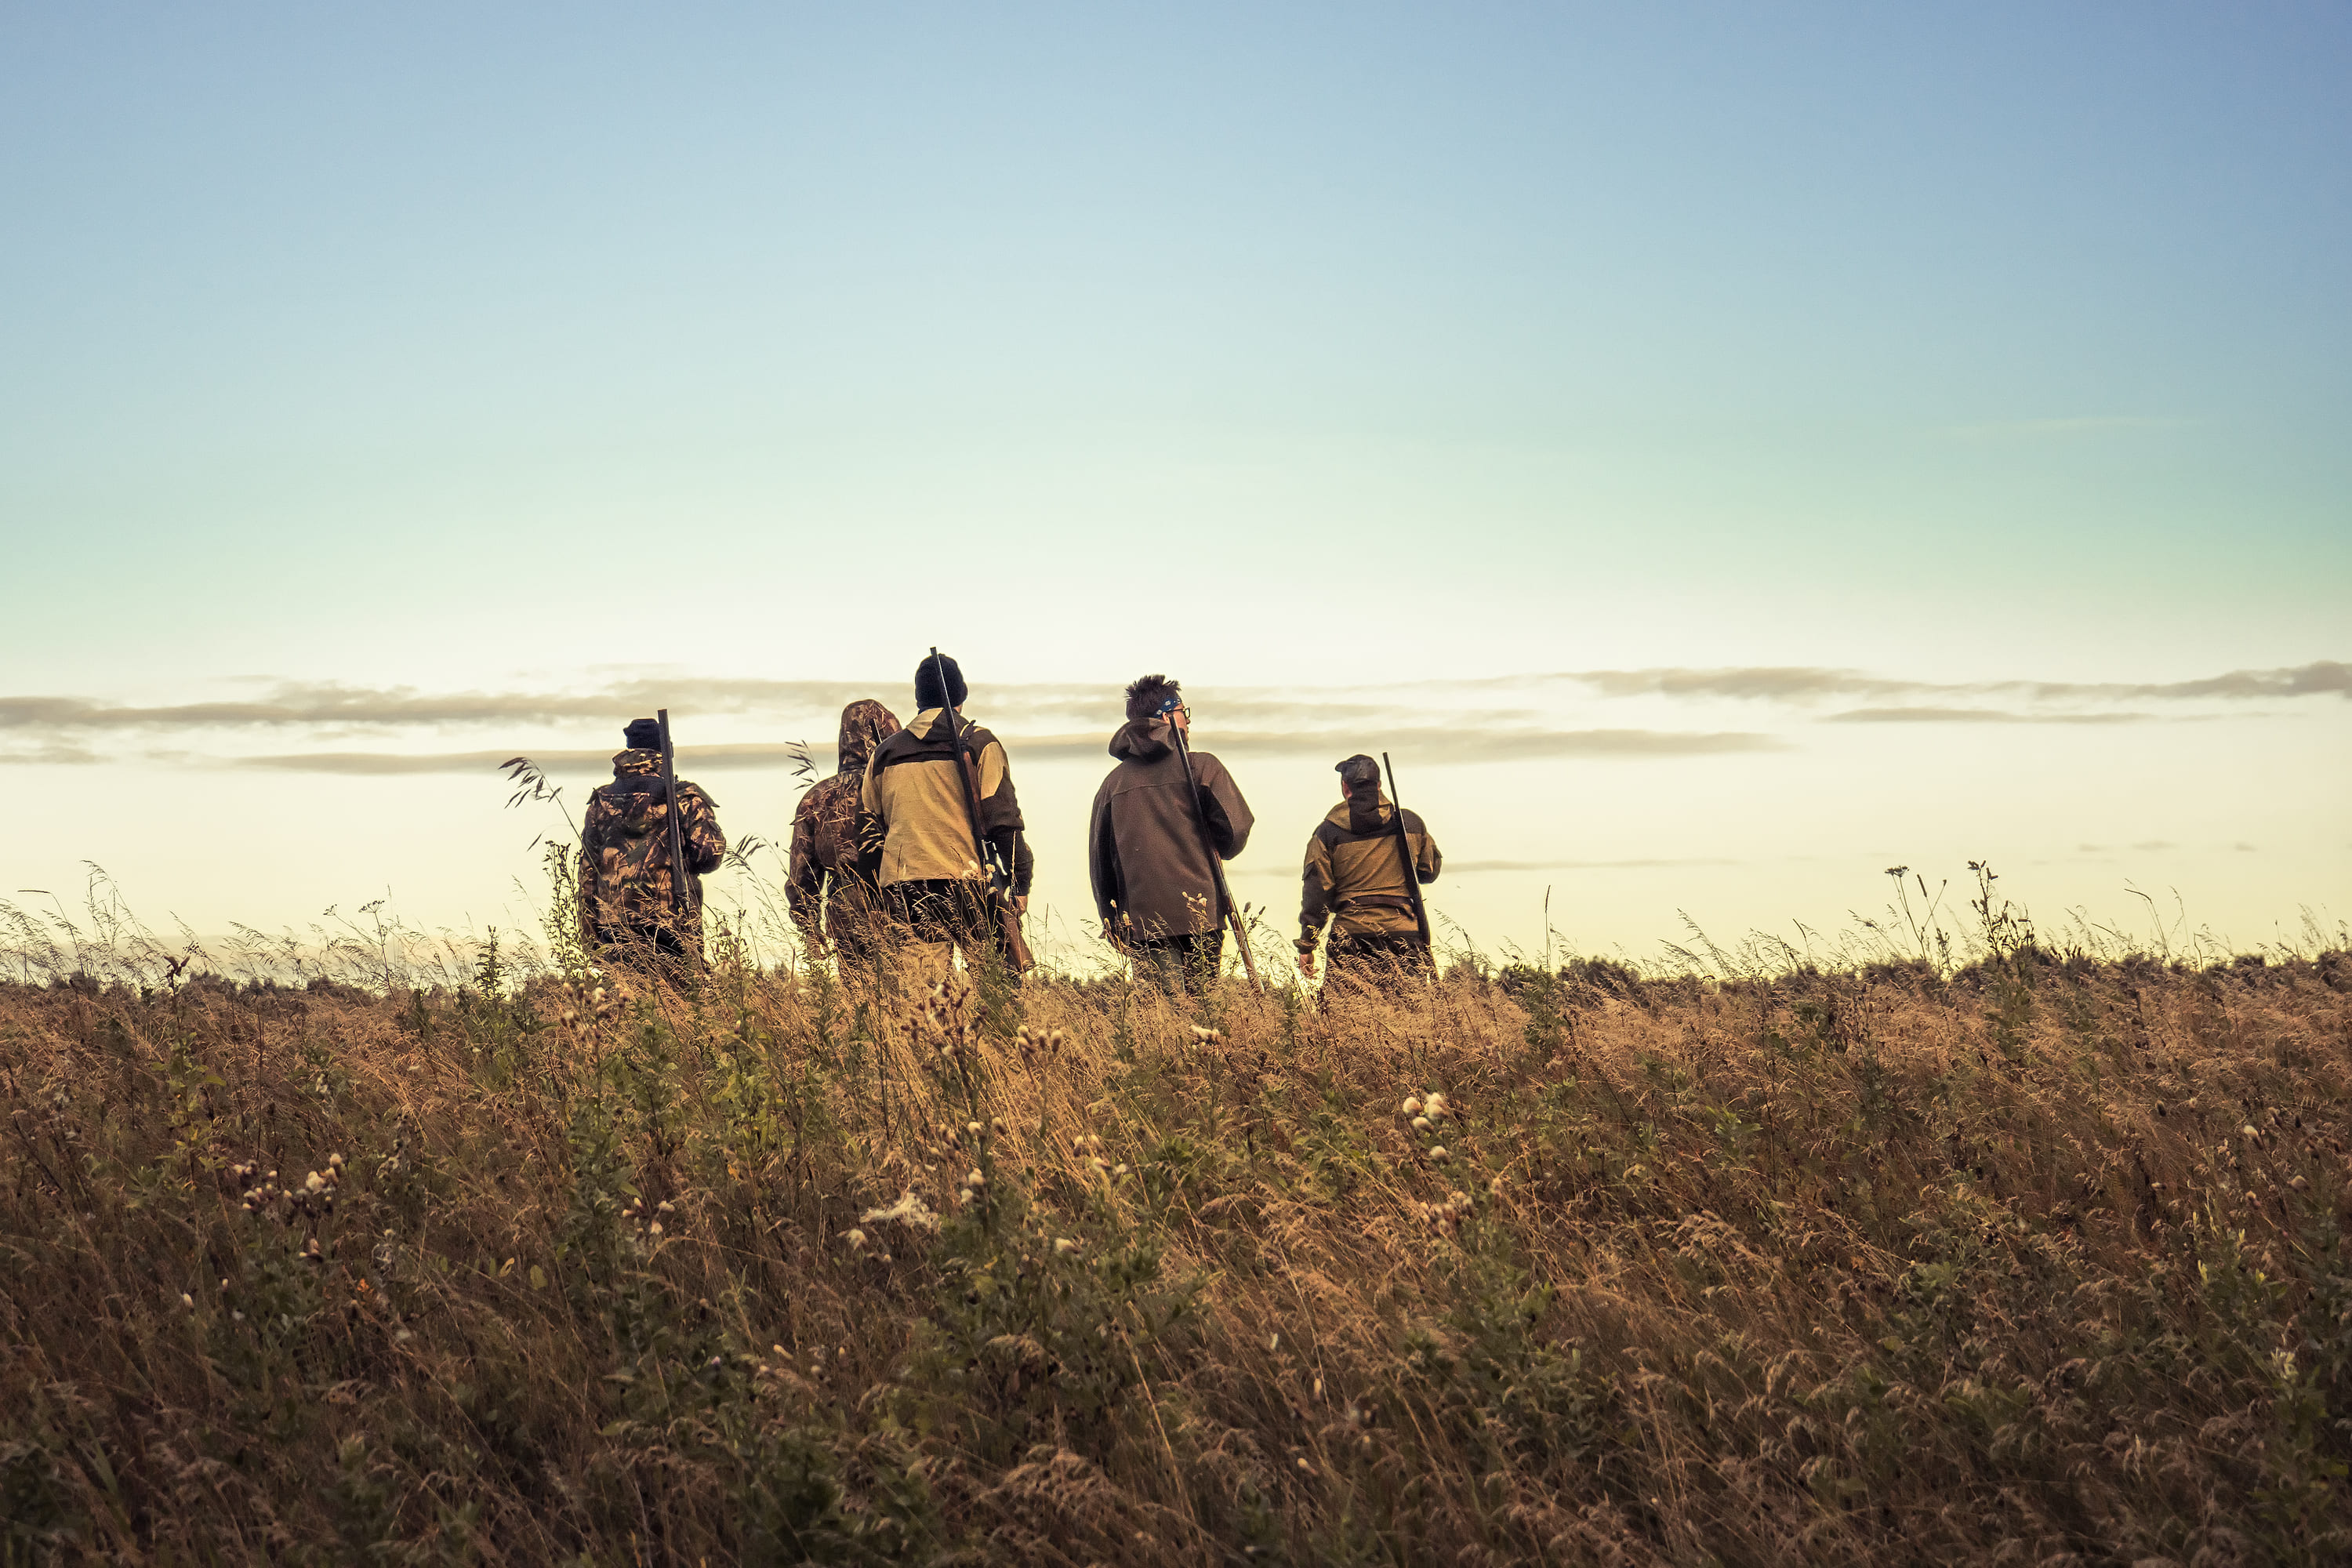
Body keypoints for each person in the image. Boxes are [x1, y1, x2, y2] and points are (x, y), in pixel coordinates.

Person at [856, 653, 1033, 982]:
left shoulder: (884, 754)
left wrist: (875, 896)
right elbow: (1003, 821)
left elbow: (867, 833)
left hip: (906, 887)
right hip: (970, 881)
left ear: (918, 699)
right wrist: (1021, 880)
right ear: (962, 696)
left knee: (928, 998)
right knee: (996, 988)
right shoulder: (981, 743)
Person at [1089, 674, 1254, 994]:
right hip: (1201, 912)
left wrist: (1109, 918)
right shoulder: (1202, 768)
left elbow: (1100, 863)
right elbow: (1235, 834)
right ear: (1166, 717)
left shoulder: (1112, 786)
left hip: (1143, 919)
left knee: (1163, 1018)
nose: (1188, 721)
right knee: (1205, 1015)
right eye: (1183, 711)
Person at [578, 717, 727, 976]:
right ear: (665, 752)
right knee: (682, 1007)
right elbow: (708, 856)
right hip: (673, 923)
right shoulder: (684, 798)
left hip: (614, 926)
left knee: (626, 1004)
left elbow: (587, 876)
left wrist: (592, 937)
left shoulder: (601, 803)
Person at [1296, 753, 1441, 983]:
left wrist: (1307, 944)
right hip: (1404, 935)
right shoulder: (1410, 824)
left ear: (1345, 787)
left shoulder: (1327, 832)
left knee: (1344, 1016)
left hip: (1350, 938)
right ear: (1379, 785)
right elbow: (1429, 872)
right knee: (1412, 1016)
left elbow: (1317, 893)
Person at [786, 699, 902, 967]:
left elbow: (802, 875)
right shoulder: (898, 785)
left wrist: (810, 929)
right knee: (919, 997)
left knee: (858, 1001)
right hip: (900, 905)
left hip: (846, 912)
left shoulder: (816, 797)